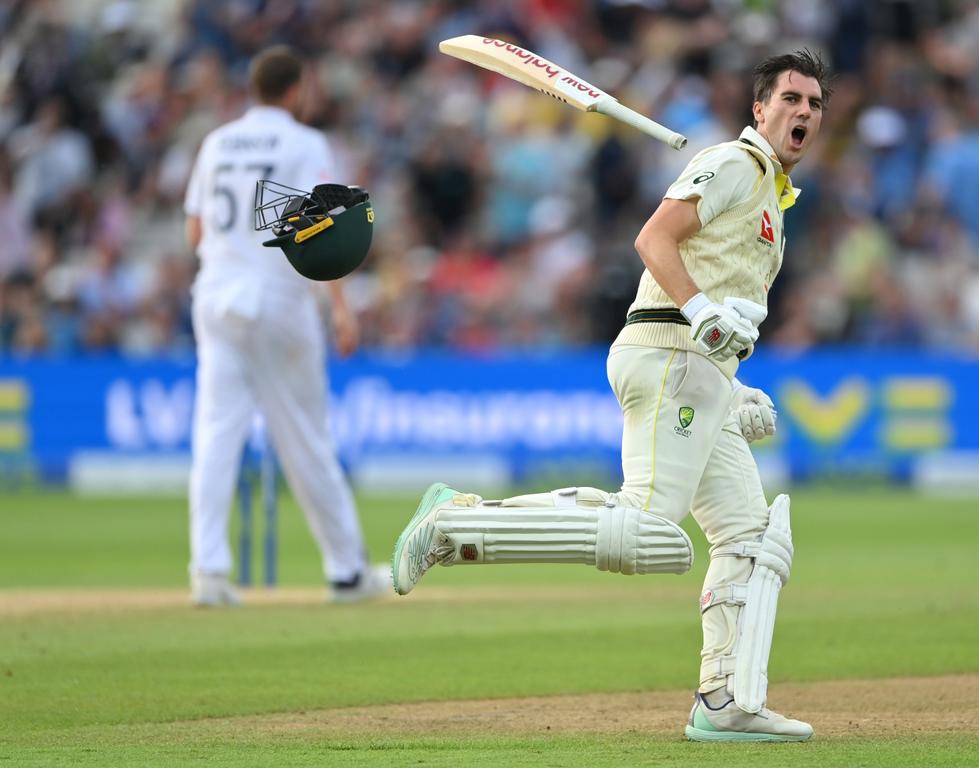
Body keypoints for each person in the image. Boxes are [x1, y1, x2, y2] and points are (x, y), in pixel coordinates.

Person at [392, 50, 831, 742]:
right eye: (791, 99)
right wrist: (700, 317)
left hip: (699, 367)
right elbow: (654, 239)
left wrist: (733, 383)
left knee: (748, 536)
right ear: (759, 108)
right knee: (651, 531)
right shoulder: (732, 164)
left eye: (814, 104)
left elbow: (721, 296)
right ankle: (457, 523)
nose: (803, 112)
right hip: (668, 355)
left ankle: (724, 700)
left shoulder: (771, 192)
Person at [183, 45, 390, 607]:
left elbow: (195, 233)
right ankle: (347, 572)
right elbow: (328, 229)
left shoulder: (216, 141)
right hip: (278, 298)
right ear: (295, 90)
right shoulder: (305, 143)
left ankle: (209, 572)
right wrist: (341, 307)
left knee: (215, 434)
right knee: (305, 437)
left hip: (216, 295)